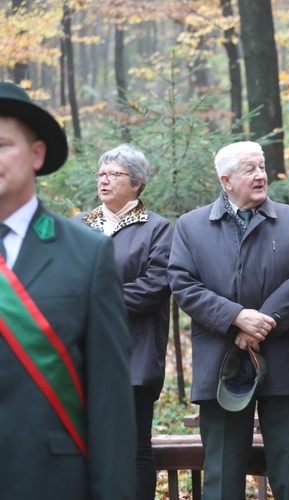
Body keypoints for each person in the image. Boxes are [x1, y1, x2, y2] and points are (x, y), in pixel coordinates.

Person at [0, 82, 135, 497]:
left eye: (2, 144)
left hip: (48, 481)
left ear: (36, 154)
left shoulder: (88, 254)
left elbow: (110, 403)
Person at [168, 141, 289, 500]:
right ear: (226, 179)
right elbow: (183, 283)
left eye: (262, 167)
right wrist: (235, 317)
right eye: (250, 169)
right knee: (220, 470)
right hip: (221, 361)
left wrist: (261, 323)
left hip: (283, 358)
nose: (261, 175)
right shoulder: (191, 226)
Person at [71, 144, 172, 499]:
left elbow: (153, 288)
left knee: (134, 452)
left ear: (138, 182)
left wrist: (92, 298)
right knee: (81, 449)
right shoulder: (76, 226)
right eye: (101, 173)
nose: (105, 180)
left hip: (135, 357)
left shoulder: (157, 229)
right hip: (82, 358)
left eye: (114, 174)